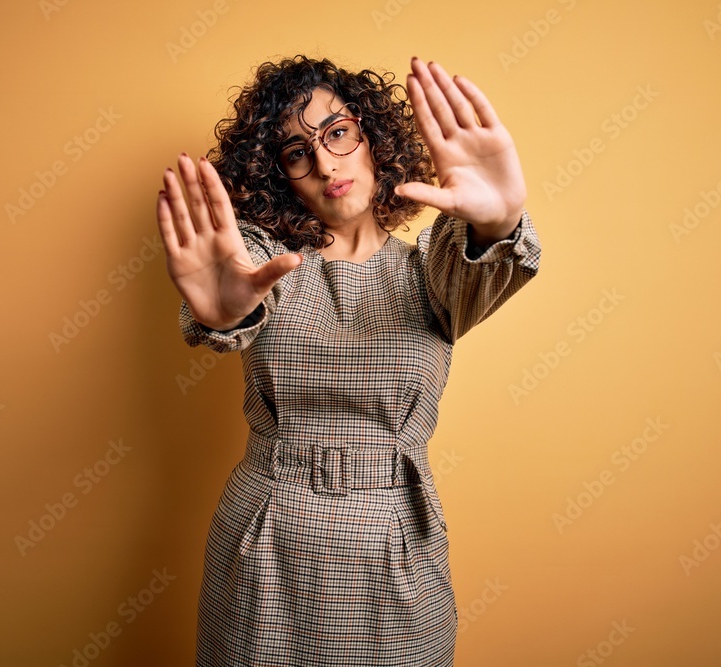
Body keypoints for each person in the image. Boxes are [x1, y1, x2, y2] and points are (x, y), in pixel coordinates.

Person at [156, 54, 542, 667]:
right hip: (267, 542)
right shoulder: (263, 261)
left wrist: (498, 225)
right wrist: (222, 313)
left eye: (337, 132)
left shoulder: (433, 272)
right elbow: (231, 300)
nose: (326, 163)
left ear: (373, 139)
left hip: (396, 546)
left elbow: (481, 268)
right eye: (296, 152)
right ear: (279, 175)